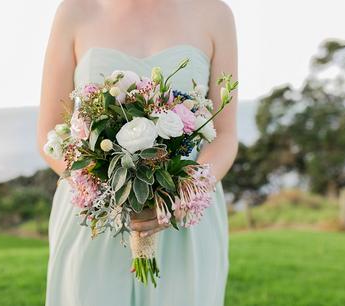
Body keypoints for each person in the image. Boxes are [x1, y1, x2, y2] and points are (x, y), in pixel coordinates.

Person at [37, 0, 238, 305]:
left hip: (183, 218)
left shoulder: (215, 14)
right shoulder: (76, 10)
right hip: (95, 216)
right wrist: (100, 191)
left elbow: (224, 134)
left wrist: (182, 194)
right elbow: (49, 132)